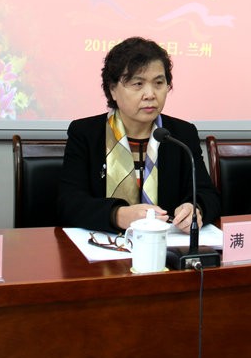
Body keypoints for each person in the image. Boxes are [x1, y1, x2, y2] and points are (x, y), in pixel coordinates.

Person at [58, 37, 220, 234]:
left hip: (165, 245)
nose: (150, 94)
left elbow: (208, 195)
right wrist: (118, 215)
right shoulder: (86, 133)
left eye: (159, 83)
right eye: (138, 84)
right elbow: (69, 203)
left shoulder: (181, 134)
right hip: (104, 245)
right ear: (112, 89)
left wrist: (196, 209)